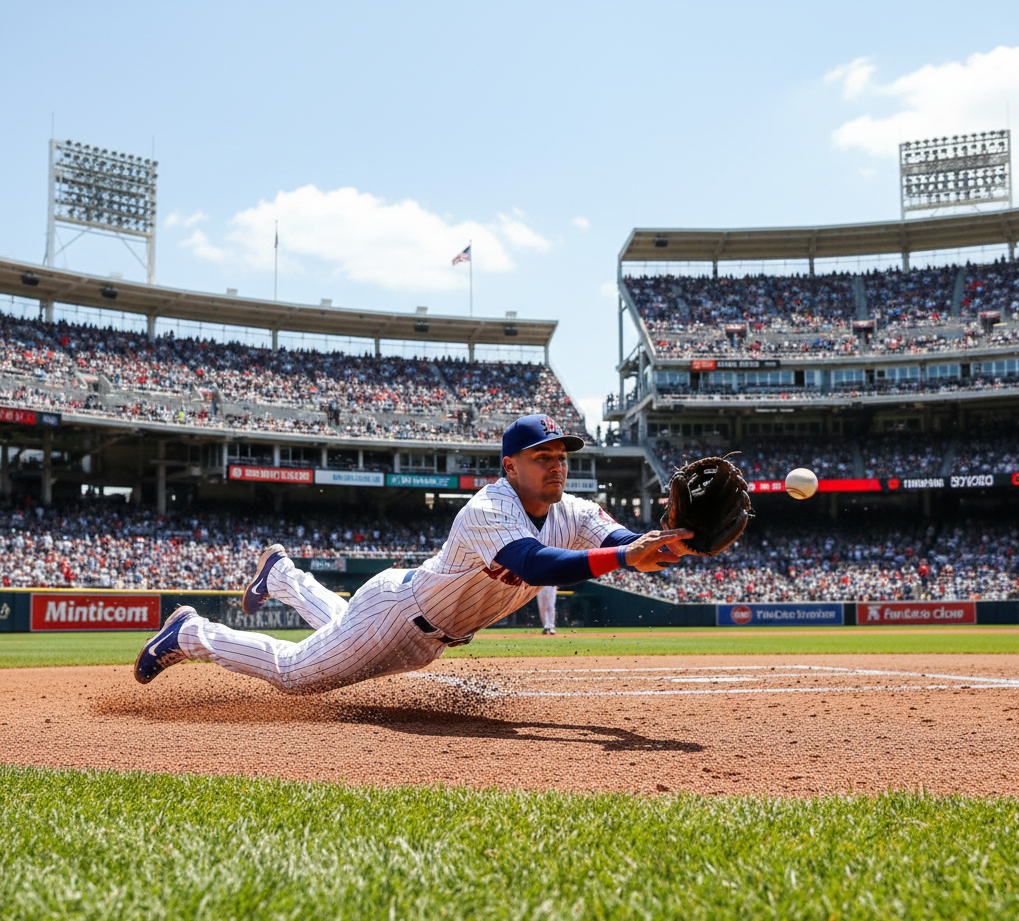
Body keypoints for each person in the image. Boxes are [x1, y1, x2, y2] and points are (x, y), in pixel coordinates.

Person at [134, 414, 696, 693]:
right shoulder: (488, 510)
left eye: (561, 456)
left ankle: (281, 574)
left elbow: (622, 541)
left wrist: (665, 543)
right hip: (398, 616)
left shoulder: (572, 510)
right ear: (509, 467)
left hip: (419, 626)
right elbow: (534, 565)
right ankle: (190, 632)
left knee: (339, 626)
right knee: (293, 674)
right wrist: (624, 559)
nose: (556, 465)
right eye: (540, 456)